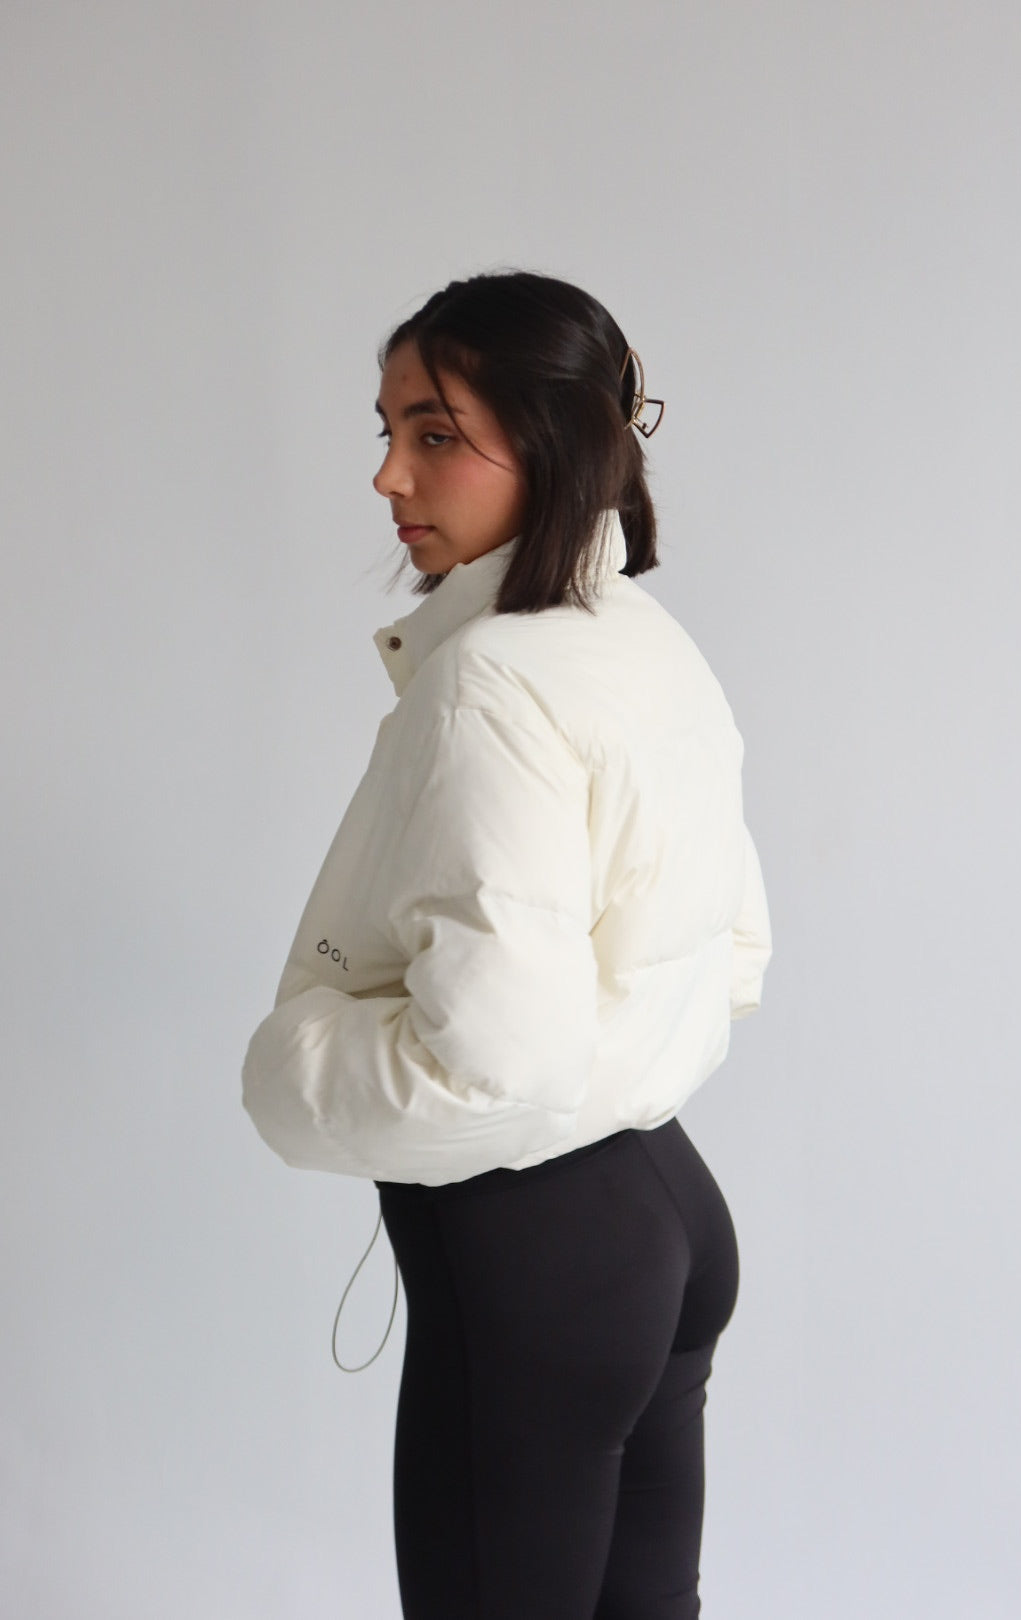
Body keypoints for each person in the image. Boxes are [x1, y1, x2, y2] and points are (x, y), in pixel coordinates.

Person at [241, 269, 772, 1620]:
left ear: (551, 442)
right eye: (387, 431)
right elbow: (739, 953)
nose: (388, 476)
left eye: (434, 434)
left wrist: (293, 1065)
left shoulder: (489, 681)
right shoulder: (641, 639)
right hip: (667, 1216)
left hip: (539, 1260)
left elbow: (498, 1066)